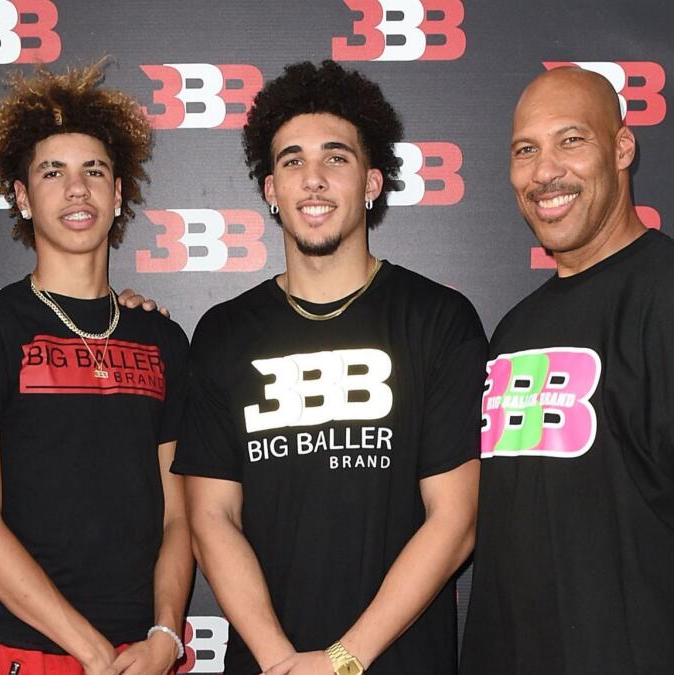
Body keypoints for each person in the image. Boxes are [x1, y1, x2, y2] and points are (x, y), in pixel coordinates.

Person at [460, 67, 674, 674]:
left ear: (623, 147)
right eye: (525, 150)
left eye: (571, 140)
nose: (544, 169)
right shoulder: (512, 330)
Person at [173, 60, 486, 675]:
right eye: (292, 161)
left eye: (335, 159)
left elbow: (456, 518)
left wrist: (344, 660)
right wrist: (280, 661)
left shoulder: (438, 318)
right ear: (269, 189)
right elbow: (211, 517)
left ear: (372, 182)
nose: (312, 180)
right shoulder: (223, 332)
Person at [0, 63, 191, 675]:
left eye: (94, 171)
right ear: (22, 196)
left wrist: (165, 637)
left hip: (146, 656)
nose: (77, 189)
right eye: (53, 172)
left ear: (118, 193)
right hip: (30, 651)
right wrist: (94, 652)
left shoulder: (162, 338)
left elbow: (179, 515)